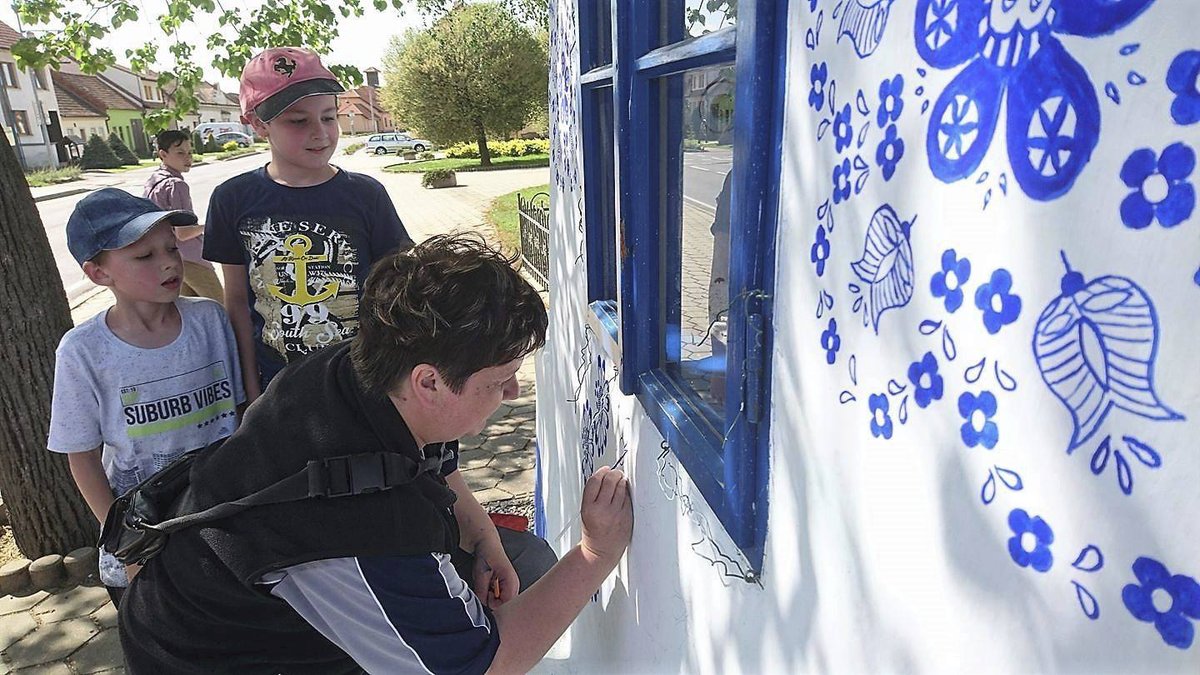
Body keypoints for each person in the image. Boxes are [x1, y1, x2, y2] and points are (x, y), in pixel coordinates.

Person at [118, 234, 633, 674]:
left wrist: (478, 532)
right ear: (429, 382)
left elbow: (433, 455)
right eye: (499, 381)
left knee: (527, 557)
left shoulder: (363, 364)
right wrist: (595, 553)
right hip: (206, 656)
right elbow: (488, 666)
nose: (514, 394)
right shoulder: (365, 534)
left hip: (208, 593)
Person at [47, 188, 246, 605]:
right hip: (145, 547)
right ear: (99, 273)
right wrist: (124, 542)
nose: (169, 262)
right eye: (144, 256)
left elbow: (241, 412)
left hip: (225, 528)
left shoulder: (210, 319)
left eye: (171, 247)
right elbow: (81, 455)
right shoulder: (83, 350)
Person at [204, 47, 413, 403]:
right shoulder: (232, 199)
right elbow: (237, 302)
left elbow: (398, 289)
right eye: (298, 121)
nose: (320, 133)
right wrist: (251, 391)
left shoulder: (366, 195)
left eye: (329, 118)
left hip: (362, 384)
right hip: (278, 390)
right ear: (257, 123)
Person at [143, 129, 224, 303]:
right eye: (180, 153)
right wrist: (212, 225)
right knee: (222, 307)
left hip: (166, 257)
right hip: (190, 256)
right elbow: (183, 232)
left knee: (191, 311)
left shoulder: (154, 181)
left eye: (190, 152)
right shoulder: (176, 184)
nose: (187, 158)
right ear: (163, 154)